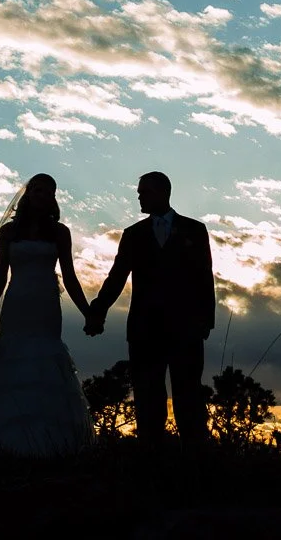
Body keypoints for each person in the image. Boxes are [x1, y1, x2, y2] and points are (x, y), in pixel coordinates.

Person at [0, 173, 94, 455]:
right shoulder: (10, 232)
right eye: (36, 190)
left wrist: (89, 313)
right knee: (13, 356)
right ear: (28, 194)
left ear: (53, 197)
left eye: (47, 191)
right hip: (17, 304)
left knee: (45, 357)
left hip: (46, 306)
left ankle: (51, 442)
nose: (41, 195)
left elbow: (71, 277)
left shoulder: (60, 233)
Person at [85, 171, 216, 451]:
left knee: (189, 396)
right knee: (147, 398)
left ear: (161, 192)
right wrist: (98, 309)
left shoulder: (195, 230)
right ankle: (151, 460)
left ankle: (196, 461)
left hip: (186, 329)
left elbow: (205, 276)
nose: (139, 196)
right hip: (145, 330)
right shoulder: (134, 235)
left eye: (143, 191)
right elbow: (117, 275)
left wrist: (206, 320)